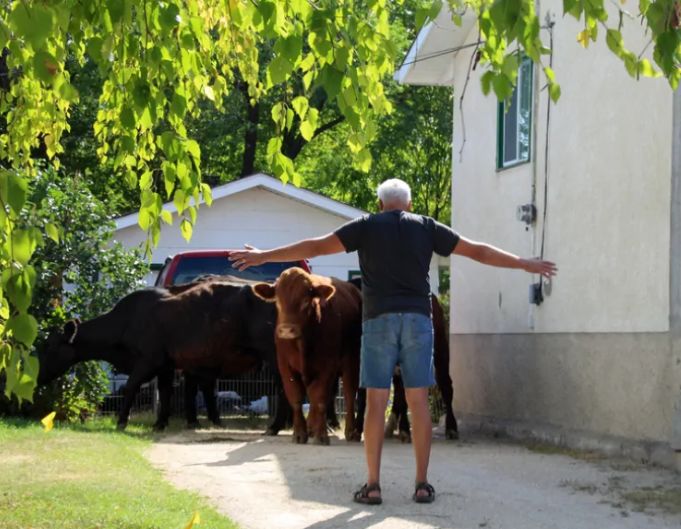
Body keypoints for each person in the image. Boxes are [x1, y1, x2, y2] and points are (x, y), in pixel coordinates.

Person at [229, 178, 557, 505]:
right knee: (418, 404)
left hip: (378, 322)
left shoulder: (365, 227)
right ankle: (422, 485)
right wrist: (523, 263)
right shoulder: (428, 227)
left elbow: (314, 246)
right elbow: (477, 251)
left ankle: (372, 486)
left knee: (375, 403)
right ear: (410, 204)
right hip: (418, 321)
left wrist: (264, 256)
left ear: (380, 204)